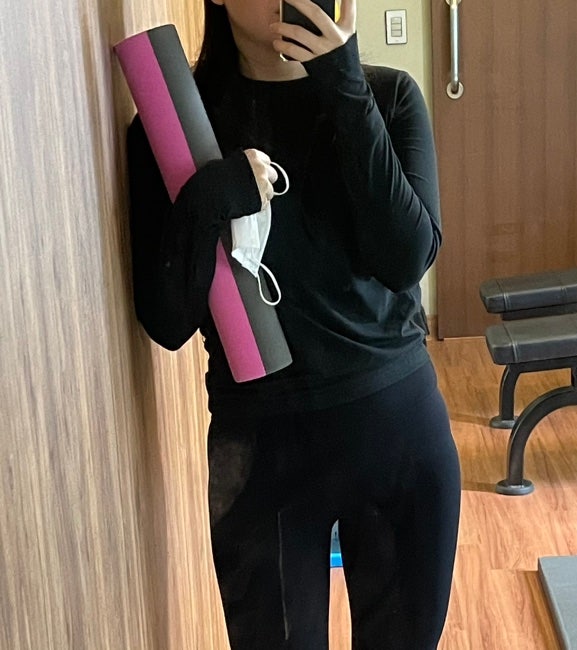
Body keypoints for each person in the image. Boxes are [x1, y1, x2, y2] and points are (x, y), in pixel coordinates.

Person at [126, 0, 461, 647]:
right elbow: (167, 322)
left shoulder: (386, 96)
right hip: (262, 455)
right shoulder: (175, 127)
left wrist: (344, 85)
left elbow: (406, 259)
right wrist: (207, 198)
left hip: (398, 434)